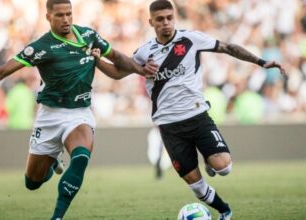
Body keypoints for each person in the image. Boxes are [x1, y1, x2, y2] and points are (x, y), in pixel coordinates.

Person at [0, 0, 156, 219]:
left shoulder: (89, 36)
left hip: (79, 113)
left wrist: (141, 70)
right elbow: (2, 71)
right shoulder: (40, 47)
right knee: (32, 183)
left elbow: (117, 59)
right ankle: (53, 162)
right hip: (50, 116)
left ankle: (57, 217)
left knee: (80, 159)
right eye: (59, 15)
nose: (66, 19)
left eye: (69, 14)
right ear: (48, 17)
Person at [93, 1, 287, 219]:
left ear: (174, 17)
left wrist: (261, 62)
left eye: (169, 17)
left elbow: (228, 48)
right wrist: (96, 60)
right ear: (151, 22)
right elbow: (118, 73)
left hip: (197, 116)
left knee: (224, 168)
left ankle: (209, 160)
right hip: (169, 126)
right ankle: (225, 211)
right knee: (196, 185)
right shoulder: (144, 53)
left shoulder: (191, 39)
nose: (166, 23)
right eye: (160, 19)